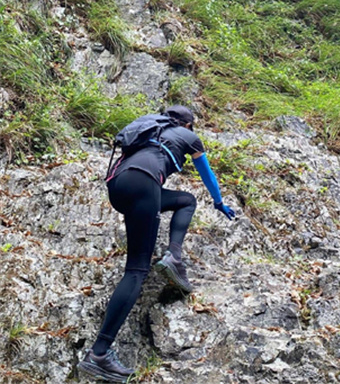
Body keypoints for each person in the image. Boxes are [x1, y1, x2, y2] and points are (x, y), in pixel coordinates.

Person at [78, 105, 235, 383]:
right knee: (136, 271)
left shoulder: (151, 128)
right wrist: (220, 202)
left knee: (186, 200)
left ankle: (173, 256)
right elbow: (207, 173)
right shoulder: (188, 137)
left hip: (118, 186)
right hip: (144, 183)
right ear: (188, 125)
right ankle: (99, 353)